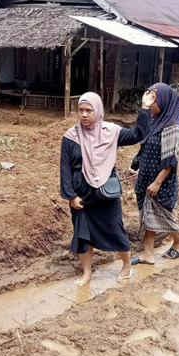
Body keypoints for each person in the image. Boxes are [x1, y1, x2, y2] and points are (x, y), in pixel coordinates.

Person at [60, 91, 155, 284]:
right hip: (81, 196)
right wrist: (70, 195)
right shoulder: (71, 136)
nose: (84, 114)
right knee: (82, 234)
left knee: (115, 228)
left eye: (89, 110)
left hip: (106, 194)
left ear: (98, 111)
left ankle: (127, 266)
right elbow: (65, 169)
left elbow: (138, 134)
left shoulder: (111, 132)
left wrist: (145, 109)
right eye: (81, 110)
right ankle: (87, 273)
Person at [130, 83, 179, 266]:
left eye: (153, 103)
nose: (150, 106)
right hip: (146, 176)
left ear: (163, 102)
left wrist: (157, 182)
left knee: (160, 214)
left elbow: (171, 159)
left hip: (160, 181)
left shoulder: (172, 127)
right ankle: (148, 254)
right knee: (148, 216)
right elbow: (140, 136)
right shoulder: (155, 121)